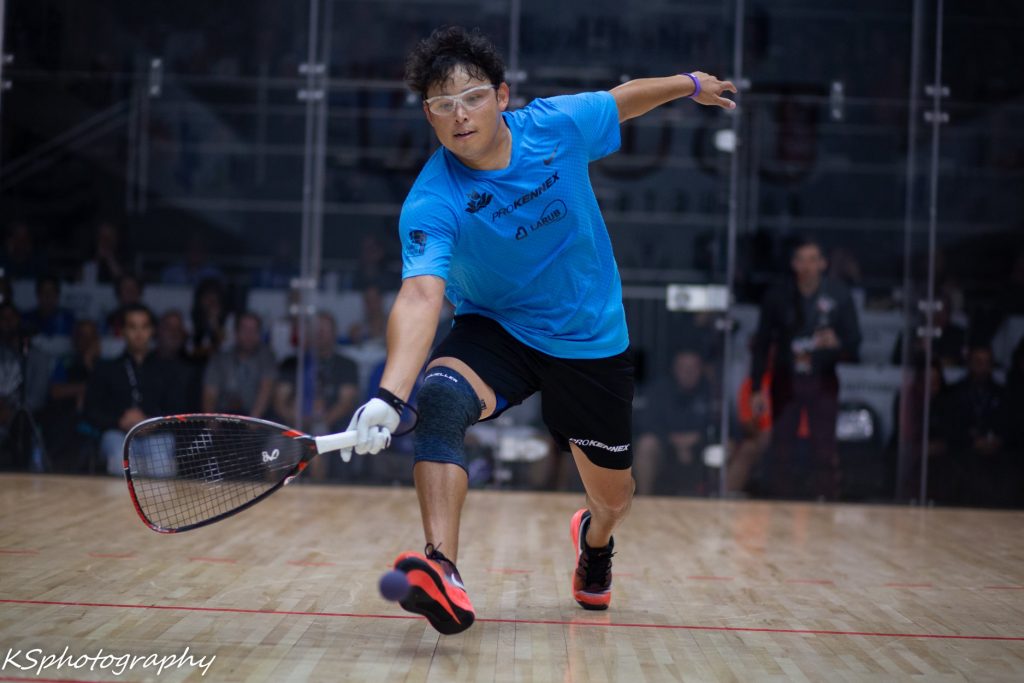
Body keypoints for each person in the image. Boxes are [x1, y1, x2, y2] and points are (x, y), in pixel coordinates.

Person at [336, 26, 736, 635]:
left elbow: (622, 99)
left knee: (614, 498)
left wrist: (689, 85)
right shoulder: (432, 199)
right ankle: (442, 567)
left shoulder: (554, 126)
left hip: (589, 337)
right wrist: (388, 396)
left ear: (502, 95)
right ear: (428, 116)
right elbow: (421, 294)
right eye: (442, 106)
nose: (459, 116)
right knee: (440, 397)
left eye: (471, 98)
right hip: (499, 328)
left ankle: (594, 542)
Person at [750, 237, 861, 500]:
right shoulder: (778, 295)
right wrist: (756, 387)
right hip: (786, 378)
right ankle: (780, 501)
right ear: (793, 264)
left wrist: (837, 343)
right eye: (802, 259)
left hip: (822, 378)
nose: (807, 266)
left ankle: (825, 500)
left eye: (813, 259)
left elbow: (855, 342)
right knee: (782, 446)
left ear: (823, 263)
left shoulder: (839, 294)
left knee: (824, 445)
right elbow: (762, 343)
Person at [83, 304, 188, 475]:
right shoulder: (106, 368)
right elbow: (91, 411)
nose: (139, 333)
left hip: (157, 435)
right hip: (118, 433)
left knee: (161, 462)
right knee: (119, 460)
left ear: (152, 331)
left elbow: (179, 411)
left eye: (144, 327)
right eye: (132, 327)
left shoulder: (169, 370)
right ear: (123, 331)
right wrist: (119, 421)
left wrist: (151, 422)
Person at [273, 311, 359, 477]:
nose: (320, 333)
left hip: (328, 425)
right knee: (272, 456)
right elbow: (279, 400)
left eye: (325, 330)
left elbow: (346, 403)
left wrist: (321, 421)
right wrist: (297, 420)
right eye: (316, 329)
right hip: (292, 425)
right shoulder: (292, 363)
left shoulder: (347, 365)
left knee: (317, 448)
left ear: (334, 334)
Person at [633, 349, 715, 496]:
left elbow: (726, 427)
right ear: (675, 369)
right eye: (684, 368)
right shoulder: (659, 390)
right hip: (665, 450)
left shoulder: (712, 391)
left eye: (693, 368)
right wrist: (673, 440)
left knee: (726, 448)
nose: (688, 372)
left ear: (701, 369)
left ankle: (722, 500)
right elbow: (644, 424)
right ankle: (644, 499)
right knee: (646, 444)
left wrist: (699, 438)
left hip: (702, 451)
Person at [203, 312, 276, 419]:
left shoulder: (267, 357)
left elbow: (266, 389)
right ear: (236, 332)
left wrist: (253, 422)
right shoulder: (220, 359)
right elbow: (209, 394)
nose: (249, 335)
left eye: (253, 330)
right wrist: (211, 423)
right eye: (244, 329)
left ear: (259, 334)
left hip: (257, 421)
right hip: (223, 418)